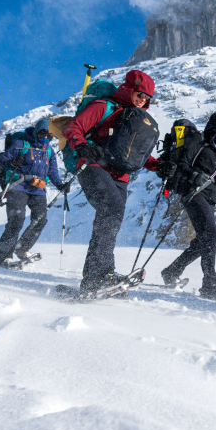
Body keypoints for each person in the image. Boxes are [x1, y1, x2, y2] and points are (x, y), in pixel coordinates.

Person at [63, 69, 160, 293]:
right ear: (129, 89)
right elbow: (72, 127)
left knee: (111, 219)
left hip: (121, 176)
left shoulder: (137, 119)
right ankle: (99, 275)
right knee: (111, 210)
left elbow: (138, 154)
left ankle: (95, 278)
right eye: (140, 94)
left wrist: (159, 166)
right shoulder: (103, 107)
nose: (143, 100)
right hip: (93, 166)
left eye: (147, 98)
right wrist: (82, 145)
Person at [160, 111, 216, 300]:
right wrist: (194, 176)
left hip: (208, 199)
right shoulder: (198, 141)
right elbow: (182, 164)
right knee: (211, 235)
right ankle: (210, 284)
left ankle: (171, 272)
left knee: (204, 240)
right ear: (215, 128)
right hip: (192, 193)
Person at [0, 119, 69, 265]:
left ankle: (22, 247)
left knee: (41, 219)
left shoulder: (49, 150)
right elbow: (3, 160)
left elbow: (52, 171)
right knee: (17, 220)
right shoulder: (21, 144)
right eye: (42, 134)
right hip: (18, 185)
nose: (45, 138)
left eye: (49, 136)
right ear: (36, 132)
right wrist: (13, 162)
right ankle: (4, 256)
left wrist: (60, 185)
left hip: (38, 188)